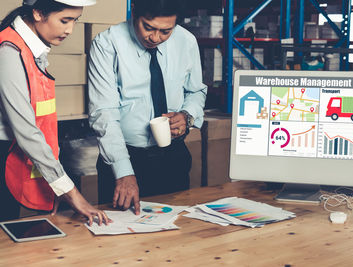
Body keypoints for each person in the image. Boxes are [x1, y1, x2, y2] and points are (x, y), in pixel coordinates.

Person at [88, 0, 207, 214]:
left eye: (165, 31)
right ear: (134, 11)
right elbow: (103, 112)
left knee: (177, 237)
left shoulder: (186, 41)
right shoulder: (107, 43)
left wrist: (187, 115)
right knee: (118, 240)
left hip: (173, 158)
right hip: (124, 159)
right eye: (148, 27)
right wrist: (124, 172)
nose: (155, 38)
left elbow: (196, 90)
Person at [0, 0, 110, 226]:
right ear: (38, 13)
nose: (70, 29)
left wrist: (53, 186)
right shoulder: (9, 51)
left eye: (75, 21)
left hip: (21, 152)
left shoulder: (32, 48)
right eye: (64, 20)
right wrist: (71, 193)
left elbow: (41, 125)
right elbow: (27, 131)